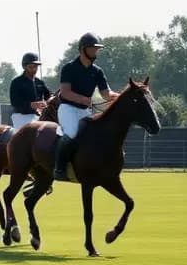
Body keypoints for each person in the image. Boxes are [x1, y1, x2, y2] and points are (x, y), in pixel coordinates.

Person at [53, 33, 117, 181]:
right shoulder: (69, 68)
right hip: (68, 108)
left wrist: (122, 96)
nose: (96, 51)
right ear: (83, 49)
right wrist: (83, 99)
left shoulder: (97, 71)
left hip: (84, 111)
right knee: (72, 132)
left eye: (97, 49)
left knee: (95, 134)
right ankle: (59, 168)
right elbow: (65, 93)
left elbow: (106, 94)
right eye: (93, 48)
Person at [9, 52, 52, 129]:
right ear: (24, 67)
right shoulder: (16, 82)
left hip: (38, 115)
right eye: (31, 67)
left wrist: (46, 103)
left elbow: (49, 97)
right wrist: (30, 105)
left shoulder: (40, 82)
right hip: (21, 116)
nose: (34, 69)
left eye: (36, 67)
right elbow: (15, 102)